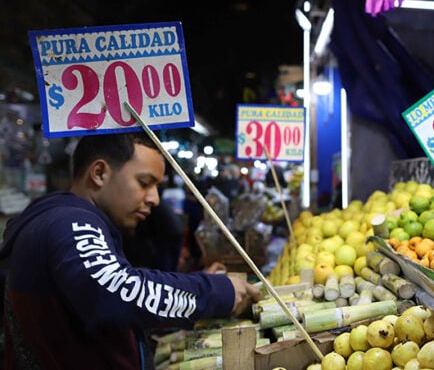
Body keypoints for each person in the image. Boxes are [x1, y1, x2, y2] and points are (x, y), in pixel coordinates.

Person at [0, 132, 261, 369]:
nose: (155, 199)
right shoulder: (70, 223)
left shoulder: (69, 220)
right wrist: (214, 291)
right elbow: (117, 291)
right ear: (100, 173)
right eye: (145, 182)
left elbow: (109, 289)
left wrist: (195, 282)